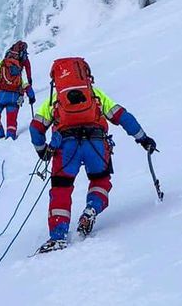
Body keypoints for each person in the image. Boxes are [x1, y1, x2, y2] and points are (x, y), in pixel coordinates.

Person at [28, 57, 157, 253]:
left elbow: (35, 128)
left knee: (61, 189)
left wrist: (42, 151)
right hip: (96, 144)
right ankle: (91, 209)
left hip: (65, 147)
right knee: (100, 180)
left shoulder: (54, 100)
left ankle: (58, 236)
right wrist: (143, 138)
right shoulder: (95, 95)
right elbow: (123, 116)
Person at [0, 52, 35, 141]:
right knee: (12, 120)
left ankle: (0, 136)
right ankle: (10, 137)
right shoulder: (18, 70)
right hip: (15, 97)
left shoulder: (1, 68)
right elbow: (26, 85)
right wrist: (31, 97)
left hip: (1, 97)